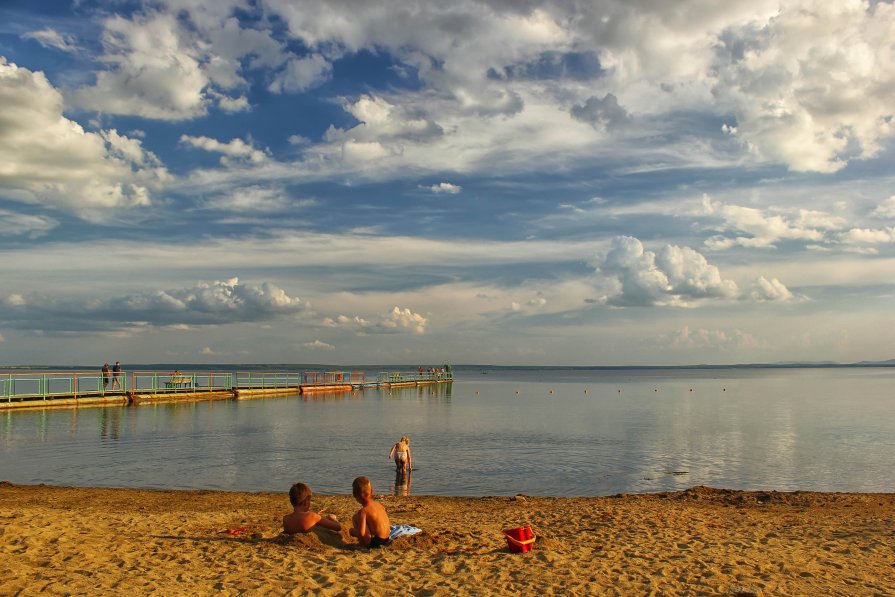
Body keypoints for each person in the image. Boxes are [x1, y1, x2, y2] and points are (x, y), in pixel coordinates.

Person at [349, 476, 391, 548]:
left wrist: (352, 531)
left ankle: (363, 543)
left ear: (355, 496)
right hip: (387, 539)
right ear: (372, 491)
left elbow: (361, 533)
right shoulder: (378, 504)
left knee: (355, 518)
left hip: (377, 543)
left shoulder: (363, 511)